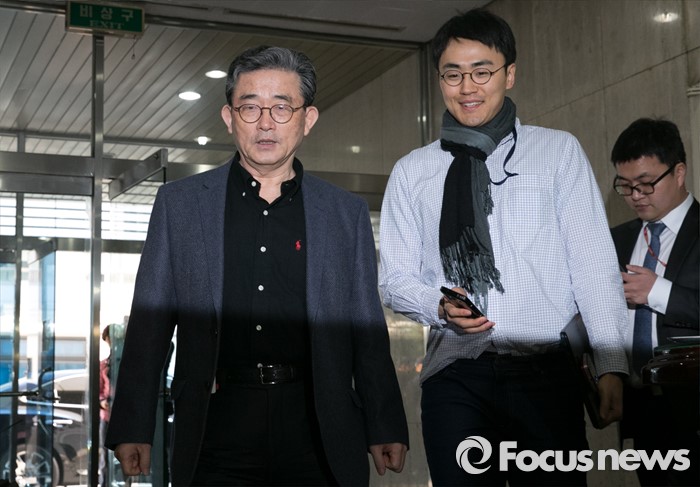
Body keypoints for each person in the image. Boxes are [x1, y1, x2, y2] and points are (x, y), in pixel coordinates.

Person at [105, 45, 408, 486]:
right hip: (216, 424)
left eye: (282, 108)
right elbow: (150, 322)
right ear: (229, 117)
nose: (266, 123)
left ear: (307, 119)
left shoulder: (345, 213)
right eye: (250, 108)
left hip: (318, 426)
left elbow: (365, 327)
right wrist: (132, 423)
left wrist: (384, 421)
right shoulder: (181, 205)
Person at [378, 8, 628, 486]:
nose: (467, 87)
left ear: (508, 74)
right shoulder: (413, 171)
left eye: (481, 71)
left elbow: (593, 266)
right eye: (453, 74)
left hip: (545, 375)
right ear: (440, 79)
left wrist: (611, 364)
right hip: (456, 375)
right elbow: (394, 279)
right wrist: (438, 305)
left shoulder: (558, 152)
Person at [610, 117, 699, 486]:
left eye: (646, 183)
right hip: (643, 411)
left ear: (678, 172)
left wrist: (657, 292)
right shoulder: (615, 240)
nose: (636, 195)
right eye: (625, 185)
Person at [98, 324, 113, 487]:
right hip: (107, 415)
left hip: (123, 414)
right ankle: (104, 483)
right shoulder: (103, 365)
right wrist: (102, 401)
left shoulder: (127, 362)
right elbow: (99, 390)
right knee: (105, 453)